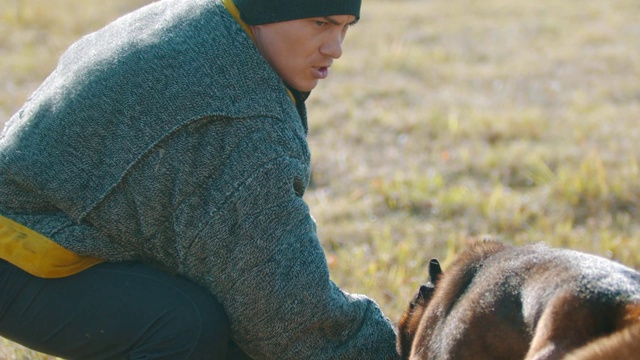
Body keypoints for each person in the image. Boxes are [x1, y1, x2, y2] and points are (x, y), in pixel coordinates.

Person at [0, 0, 399, 359]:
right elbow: (286, 319)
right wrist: (404, 351)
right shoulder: (239, 117)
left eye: (346, 27)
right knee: (187, 326)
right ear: (269, 10)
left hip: (45, 221)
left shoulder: (207, 17)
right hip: (20, 250)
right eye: (320, 23)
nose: (336, 48)